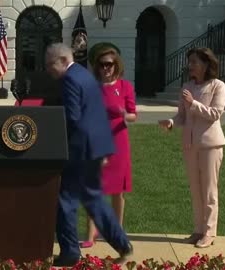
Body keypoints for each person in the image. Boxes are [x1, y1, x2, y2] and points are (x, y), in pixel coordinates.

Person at [45, 43, 133, 266]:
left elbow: (72, 117)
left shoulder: (69, 79)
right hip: (96, 146)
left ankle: (70, 252)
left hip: (79, 149)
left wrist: (53, 134)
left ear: (63, 61)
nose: (49, 70)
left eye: (50, 65)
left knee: (66, 201)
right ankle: (123, 244)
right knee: (93, 198)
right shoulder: (84, 75)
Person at [158, 47, 225, 248]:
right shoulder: (187, 86)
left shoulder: (217, 86)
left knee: (209, 190)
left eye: (194, 62)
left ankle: (210, 232)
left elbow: (215, 113)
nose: (191, 66)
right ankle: (198, 230)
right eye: (190, 62)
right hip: (189, 145)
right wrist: (171, 122)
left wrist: (193, 103)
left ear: (206, 64)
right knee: (195, 189)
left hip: (210, 145)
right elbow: (182, 115)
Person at [81, 47, 137, 248]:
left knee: (118, 191)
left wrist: (124, 114)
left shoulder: (125, 87)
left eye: (109, 64)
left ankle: (116, 231)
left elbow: (133, 114)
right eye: (102, 64)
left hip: (119, 140)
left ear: (116, 66)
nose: (106, 68)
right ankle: (90, 234)